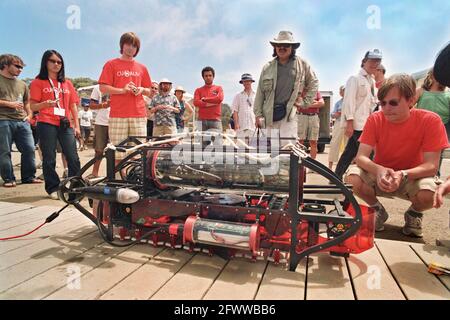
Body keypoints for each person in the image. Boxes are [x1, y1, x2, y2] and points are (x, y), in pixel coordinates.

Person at [345, 74, 449, 237]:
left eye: (393, 102)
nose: (386, 108)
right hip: (382, 176)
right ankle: (377, 210)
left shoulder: (431, 121)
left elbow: (431, 166)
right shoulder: (375, 119)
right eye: (383, 103)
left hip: (413, 177)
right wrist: (379, 170)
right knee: (352, 177)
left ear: (410, 100)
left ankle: (414, 214)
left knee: (431, 192)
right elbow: (361, 157)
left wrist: (403, 174)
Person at [30, 50, 81, 199]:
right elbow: (32, 106)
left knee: (73, 156)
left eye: (59, 62)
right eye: (53, 61)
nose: (56, 64)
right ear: (45, 62)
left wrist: (76, 125)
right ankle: (52, 187)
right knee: (49, 157)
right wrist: (44, 104)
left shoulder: (67, 83)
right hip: (46, 123)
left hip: (65, 124)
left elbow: (73, 106)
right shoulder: (37, 82)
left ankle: (75, 185)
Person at [253, 31, 319, 147]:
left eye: (286, 45)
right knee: (270, 152)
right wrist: (258, 115)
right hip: (269, 115)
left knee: (288, 149)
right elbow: (260, 93)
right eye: (279, 45)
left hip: (288, 115)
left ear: (292, 48)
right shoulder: (267, 67)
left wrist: (305, 102)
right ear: (275, 47)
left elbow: (314, 82)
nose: (282, 48)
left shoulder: (301, 64)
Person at [98, 32, 152, 168]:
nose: (130, 48)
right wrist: (122, 90)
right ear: (122, 45)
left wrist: (141, 90)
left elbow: (150, 91)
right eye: (128, 44)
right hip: (118, 115)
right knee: (118, 152)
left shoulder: (142, 68)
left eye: (134, 46)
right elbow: (102, 87)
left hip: (139, 115)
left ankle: (134, 182)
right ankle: (118, 183)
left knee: (138, 153)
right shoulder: (111, 64)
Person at [334, 49, 382, 180]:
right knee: (368, 153)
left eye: (378, 61)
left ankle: (335, 178)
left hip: (368, 123)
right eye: (372, 60)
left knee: (350, 152)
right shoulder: (354, 79)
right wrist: (349, 123)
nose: (375, 64)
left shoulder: (371, 81)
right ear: (364, 61)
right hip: (357, 124)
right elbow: (348, 102)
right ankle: (368, 180)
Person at [0, 54, 42, 187]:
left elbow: (26, 102)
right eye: (17, 66)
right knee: (4, 151)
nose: (20, 69)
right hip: (3, 120)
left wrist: (29, 115)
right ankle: (8, 178)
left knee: (29, 148)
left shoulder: (22, 84)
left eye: (21, 67)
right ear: (5, 65)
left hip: (22, 121)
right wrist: (9, 104)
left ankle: (29, 177)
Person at [193, 66, 224, 147]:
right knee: (203, 147)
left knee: (218, 146)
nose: (208, 77)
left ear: (213, 76)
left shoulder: (218, 88)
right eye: (206, 76)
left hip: (215, 121)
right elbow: (196, 102)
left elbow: (219, 98)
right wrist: (211, 103)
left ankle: (218, 160)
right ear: (203, 77)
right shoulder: (198, 90)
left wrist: (204, 99)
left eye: (210, 75)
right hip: (202, 121)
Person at [88, 84, 110, 178]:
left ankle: (114, 175)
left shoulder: (119, 85)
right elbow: (91, 106)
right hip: (101, 122)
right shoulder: (97, 88)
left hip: (117, 121)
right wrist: (102, 105)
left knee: (116, 151)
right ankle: (94, 173)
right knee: (99, 150)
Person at [297, 91, 325, 161]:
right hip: (302, 116)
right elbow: (298, 103)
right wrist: (314, 103)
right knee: (300, 141)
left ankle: (312, 165)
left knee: (314, 142)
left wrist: (306, 104)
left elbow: (322, 103)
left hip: (314, 116)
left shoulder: (316, 92)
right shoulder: (300, 91)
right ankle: (299, 164)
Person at [328, 86, 348, 169]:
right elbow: (332, 114)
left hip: (349, 124)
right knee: (334, 143)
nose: (342, 92)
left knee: (348, 146)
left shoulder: (352, 101)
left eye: (344, 90)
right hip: (339, 123)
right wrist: (337, 114)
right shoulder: (338, 103)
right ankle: (330, 167)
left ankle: (345, 168)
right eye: (341, 91)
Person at [231, 73, 256, 137]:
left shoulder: (256, 95)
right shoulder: (238, 95)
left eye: (248, 81)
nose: (246, 83)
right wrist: (236, 124)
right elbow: (235, 111)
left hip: (254, 126)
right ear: (242, 83)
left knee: (254, 146)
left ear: (251, 82)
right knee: (241, 146)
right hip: (241, 126)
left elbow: (259, 110)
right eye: (244, 81)